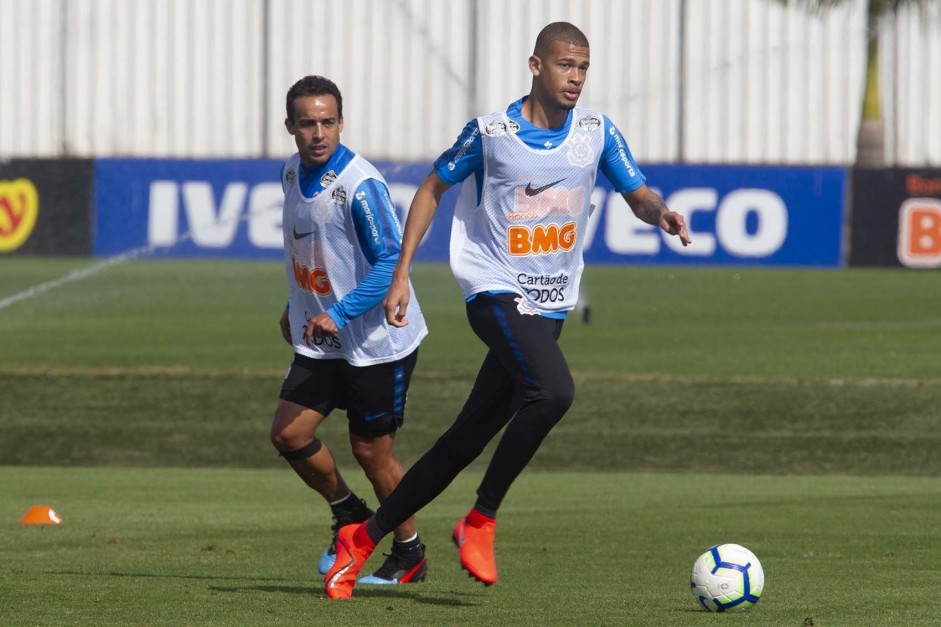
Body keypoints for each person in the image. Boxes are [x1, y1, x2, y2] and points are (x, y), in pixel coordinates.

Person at [324, 22, 691, 599]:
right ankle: (481, 519)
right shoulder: (491, 133)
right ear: (536, 65)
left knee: (463, 440)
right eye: (566, 65)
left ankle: (363, 538)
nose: (576, 77)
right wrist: (401, 275)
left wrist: (661, 212)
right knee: (556, 391)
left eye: (584, 68)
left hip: (548, 307)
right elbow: (430, 188)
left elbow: (637, 192)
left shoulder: (596, 132)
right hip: (491, 291)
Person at [271, 75, 429, 586]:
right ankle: (348, 512)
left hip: (376, 342)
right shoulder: (292, 172)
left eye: (328, 122)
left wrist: (337, 314)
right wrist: (294, 305)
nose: (319, 132)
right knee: (289, 433)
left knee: (370, 451)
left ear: (341, 122)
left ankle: (409, 552)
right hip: (321, 338)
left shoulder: (359, 186)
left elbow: (390, 262)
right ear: (290, 126)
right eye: (308, 123)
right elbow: (312, 250)